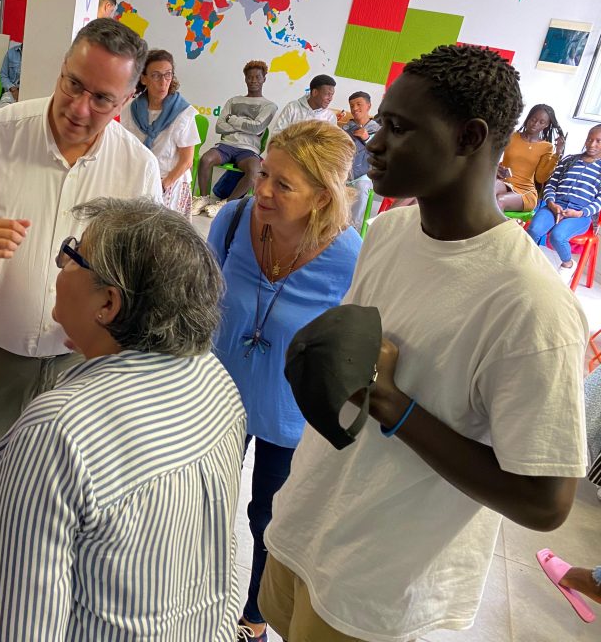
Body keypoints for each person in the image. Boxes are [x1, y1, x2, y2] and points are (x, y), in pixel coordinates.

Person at [262, 45, 587, 642]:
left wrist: (395, 406)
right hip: (307, 525)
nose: (375, 143)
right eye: (380, 123)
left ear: (469, 137)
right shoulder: (388, 232)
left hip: (381, 582)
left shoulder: (531, 305)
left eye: (399, 127)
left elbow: (546, 503)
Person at [0, 18, 163, 630]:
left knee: (66, 482)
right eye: (72, 85)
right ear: (60, 68)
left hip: (84, 361)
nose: (79, 108)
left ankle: (48, 581)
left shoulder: (136, 169)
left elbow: (146, 260)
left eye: (102, 98)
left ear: (127, 100)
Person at [0, 197, 245, 639]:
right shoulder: (213, 379)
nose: (62, 263)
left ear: (108, 305)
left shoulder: (58, 432)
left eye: (73, 254)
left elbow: (19, 628)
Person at [208, 120, 361, 641]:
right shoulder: (233, 220)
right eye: (264, 173)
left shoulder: (351, 257)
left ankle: (253, 616)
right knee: (200, 508)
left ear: (323, 196)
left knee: (268, 522)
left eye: (283, 184)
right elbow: (200, 299)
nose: (263, 189)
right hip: (216, 400)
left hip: (291, 416)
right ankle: (190, 599)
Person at [194, 60, 278, 217]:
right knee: (206, 159)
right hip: (226, 145)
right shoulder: (233, 101)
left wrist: (232, 120)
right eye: (250, 77)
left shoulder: (269, 106)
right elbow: (219, 126)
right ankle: (203, 198)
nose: (253, 80)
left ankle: (225, 205)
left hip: (248, 150)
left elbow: (258, 127)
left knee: (255, 171)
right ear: (245, 78)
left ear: (264, 79)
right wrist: (248, 126)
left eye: (257, 77)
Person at [120, 49, 199, 216]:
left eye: (167, 75)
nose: (163, 82)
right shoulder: (130, 109)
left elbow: (187, 160)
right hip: (139, 177)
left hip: (170, 182)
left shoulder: (183, 112)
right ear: (143, 78)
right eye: (156, 76)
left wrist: (164, 184)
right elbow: (125, 148)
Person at [526, 125, 601, 281]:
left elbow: (599, 200)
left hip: (580, 214)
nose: (592, 144)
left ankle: (567, 264)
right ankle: (526, 264)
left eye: (598, 141)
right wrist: (552, 204)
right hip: (554, 206)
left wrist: (581, 213)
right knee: (533, 229)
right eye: (589, 139)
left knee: (557, 236)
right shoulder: (569, 160)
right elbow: (551, 184)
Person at [495, 103, 564, 213]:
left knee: (499, 200)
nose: (535, 124)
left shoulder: (546, 147)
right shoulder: (511, 136)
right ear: (528, 118)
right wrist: (497, 168)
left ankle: (501, 229)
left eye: (541, 122)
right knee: (487, 192)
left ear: (546, 125)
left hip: (525, 192)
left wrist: (557, 154)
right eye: (533, 119)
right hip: (505, 183)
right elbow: (494, 156)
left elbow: (541, 178)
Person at [341, 90, 381, 227]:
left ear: (369, 106)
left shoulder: (379, 130)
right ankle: (331, 225)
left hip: (364, 175)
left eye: (359, 104)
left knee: (361, 188)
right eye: (352, 105)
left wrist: (367, 138)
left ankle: (352, 228)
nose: (355, 108)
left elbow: (381, 154)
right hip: (344, 173)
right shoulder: (346, 128)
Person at [268, 74, 336, 137]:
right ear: (315, 92)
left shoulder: (330, 117)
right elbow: (276, 135)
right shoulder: (292, 108)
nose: (330, 98)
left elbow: (332, 143)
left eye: (332, 95)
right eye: (328, 94)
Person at [0, 41, 21, 106]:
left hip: (29, 94)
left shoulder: (37, 56)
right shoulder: (11, 53)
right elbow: (3, 76)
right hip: (11, 91)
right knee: (4, 111)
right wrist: (13, 89)